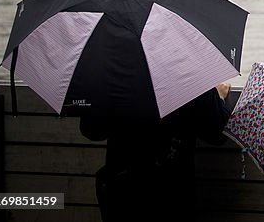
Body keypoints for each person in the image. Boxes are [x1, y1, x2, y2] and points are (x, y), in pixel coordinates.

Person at [80, 83, 231, 221]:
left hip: (122, 190)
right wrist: (218, 98)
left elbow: (91, 130)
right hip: (171, 193)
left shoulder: (115, 74)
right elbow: (217, 133)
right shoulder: (188, 75)